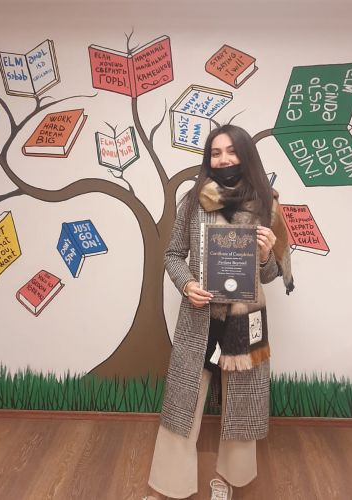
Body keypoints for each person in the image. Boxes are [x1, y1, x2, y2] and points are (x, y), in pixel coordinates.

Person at [144, 124, 294, 500]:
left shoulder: (268, 205)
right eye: (215, 152)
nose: (224, 159)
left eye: (231, 151)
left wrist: (265, 254)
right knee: (182, 401)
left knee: (241, 402)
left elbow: (271, 274)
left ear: (246, 156)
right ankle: (167, 487)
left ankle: (229, 482)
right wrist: (186, 285)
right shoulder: (193, 201)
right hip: (200, 317)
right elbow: (173, 255)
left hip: (244, 322)